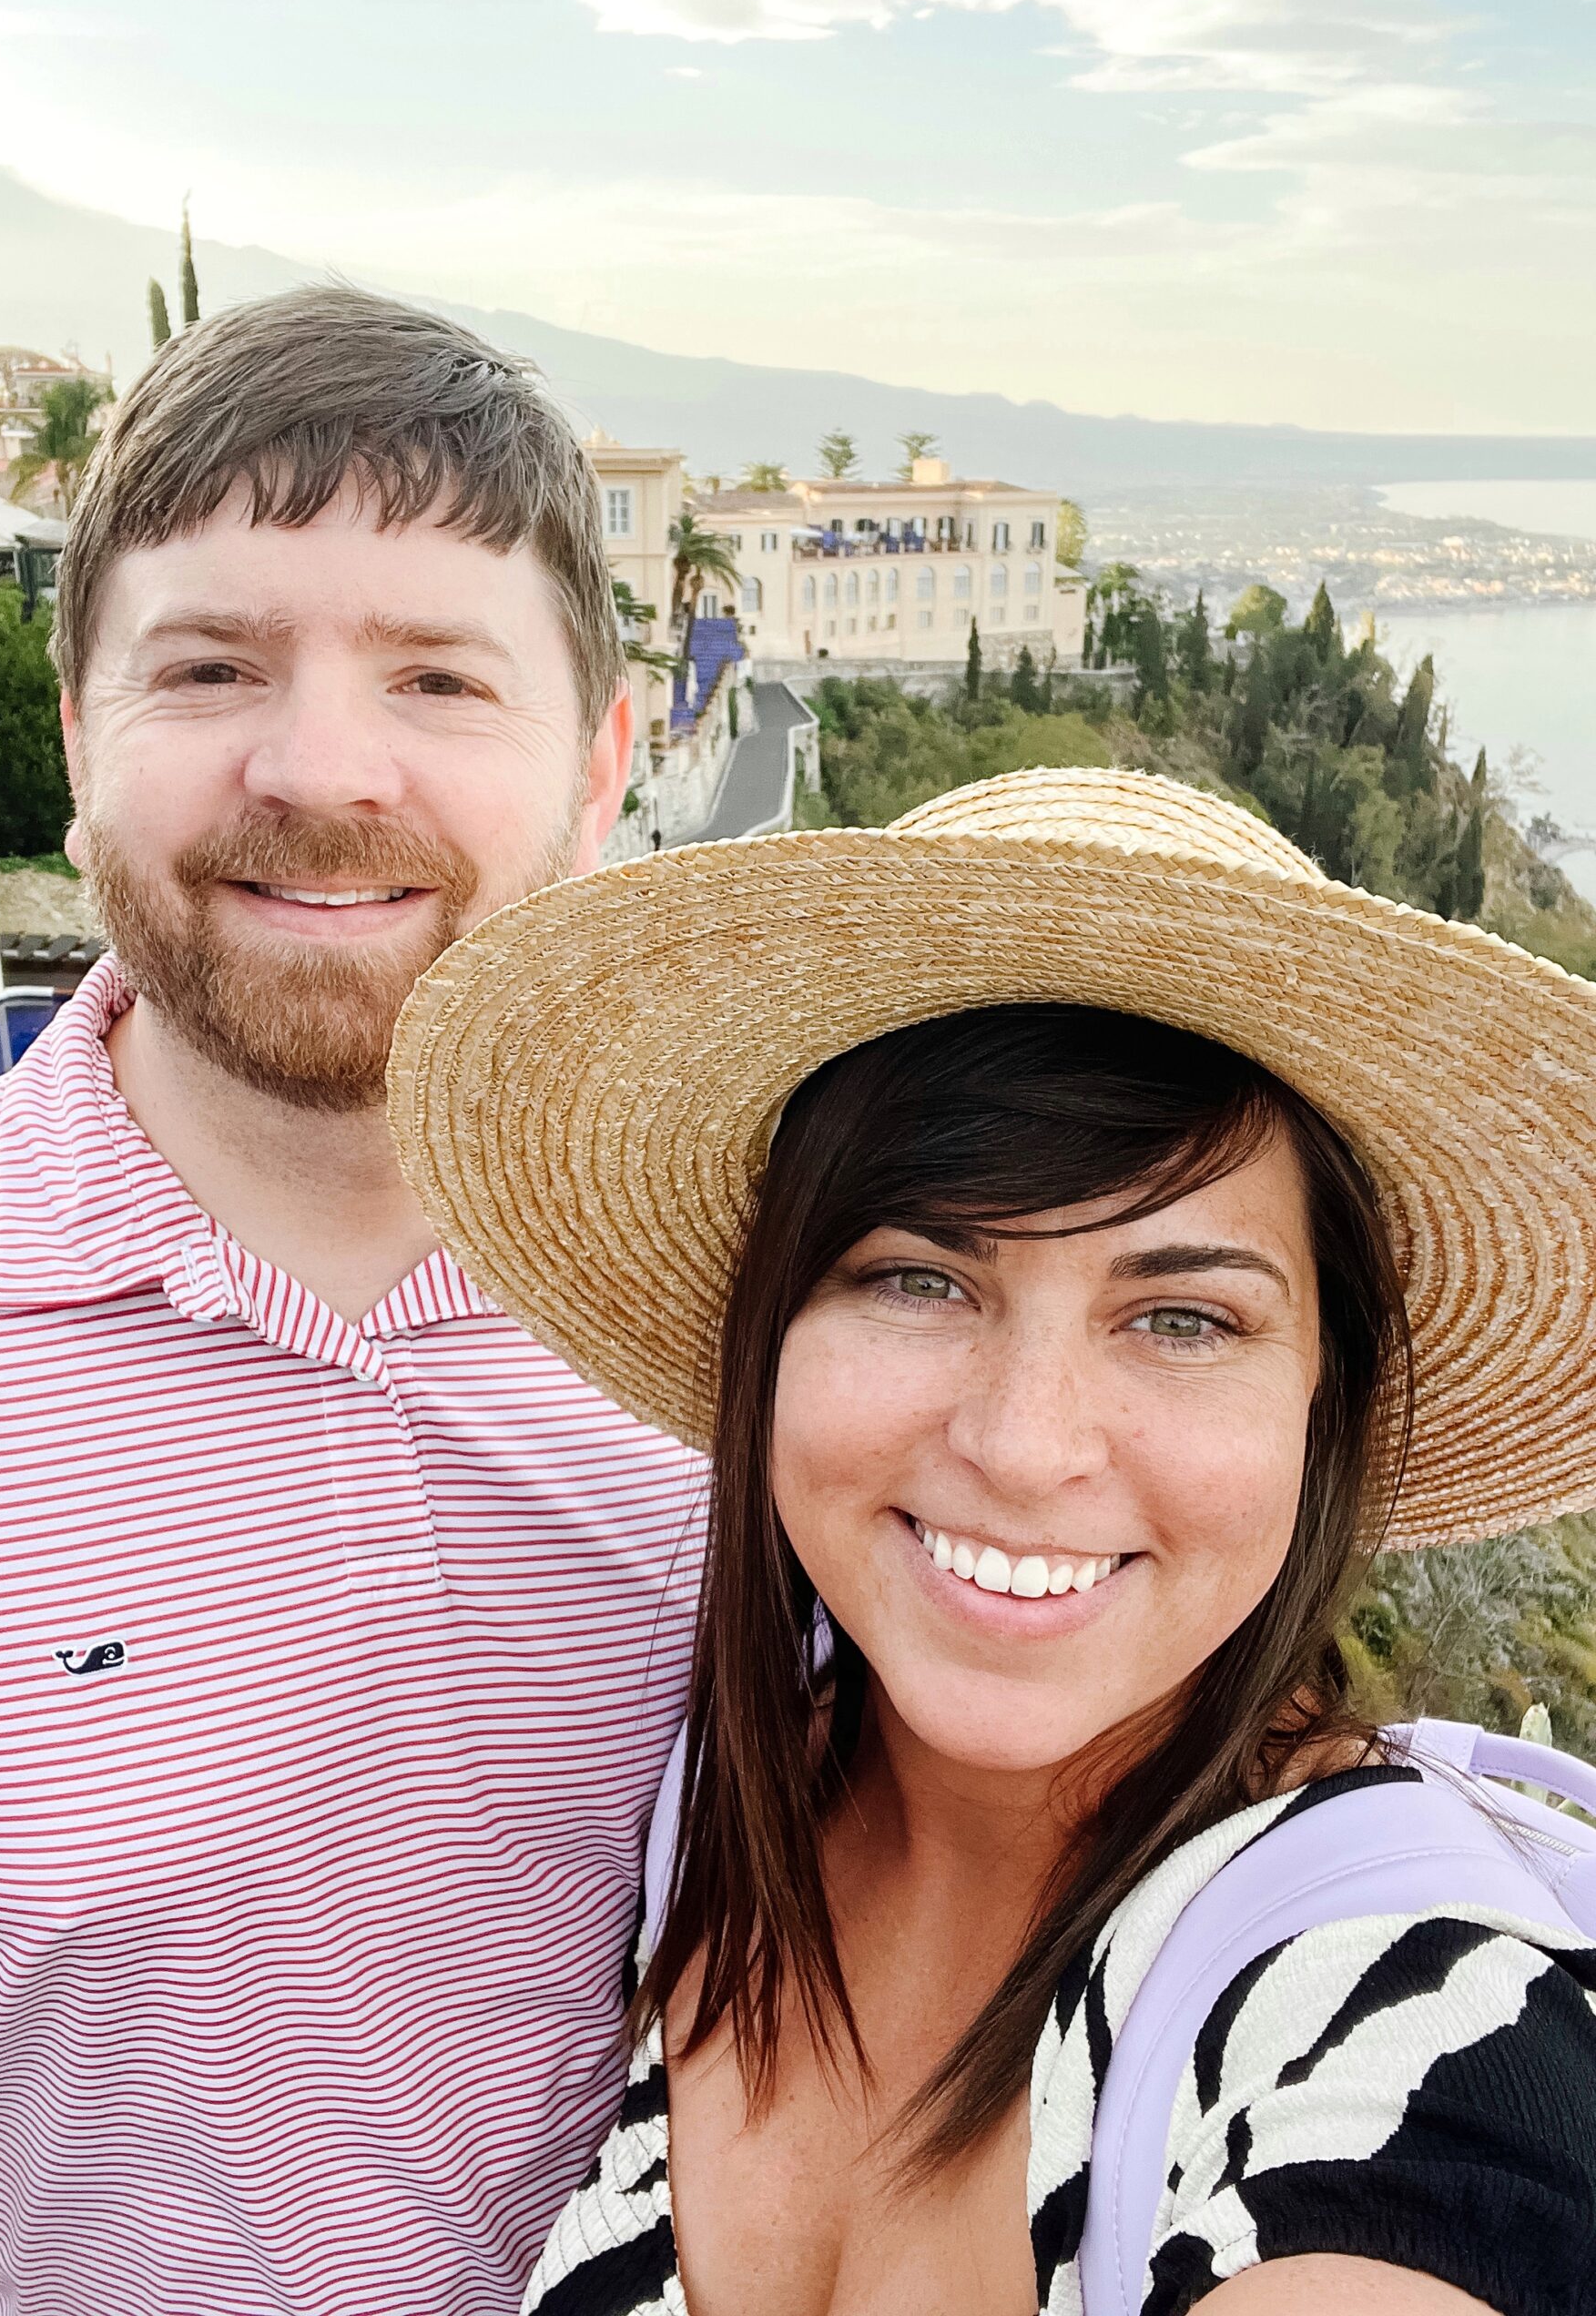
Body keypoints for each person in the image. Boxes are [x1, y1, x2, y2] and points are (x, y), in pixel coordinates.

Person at [388, 767, 1596, 2316]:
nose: (1024, 1445)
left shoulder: (1413, 2019)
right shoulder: (693, 1805)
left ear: (1322, 1399)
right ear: (774, 1328)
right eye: (917, 1279)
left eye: (1181, 1317)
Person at [0, 289, 705, 2316]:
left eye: (434, 675)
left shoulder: (787, 1318)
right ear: (77, 740)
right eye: (214, 662)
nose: (324, 765)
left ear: (598, 765)